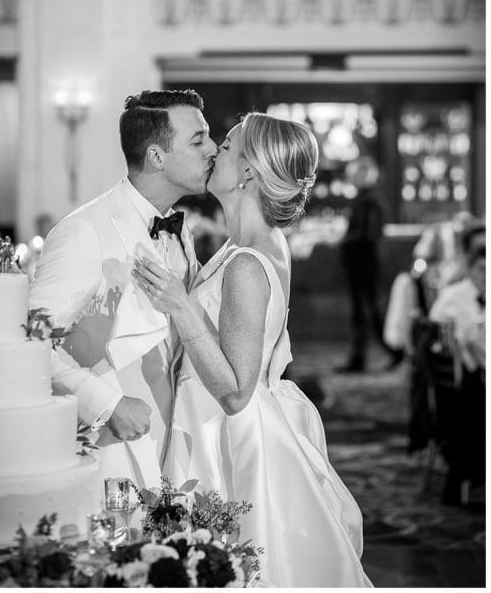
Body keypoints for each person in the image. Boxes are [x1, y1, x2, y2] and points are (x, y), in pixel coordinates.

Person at [133, 112, 371, 587]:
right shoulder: (251, 245)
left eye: (225, 145)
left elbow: (237, 392)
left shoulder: (246, 262)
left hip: (226, 434)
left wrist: (182, 308)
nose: (212, 151)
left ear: (246, 172)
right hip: (228, 420)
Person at [29, 89, 216, 488]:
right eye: (198, 140)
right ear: (156, 156)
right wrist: (107, 404)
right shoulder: (85, 231)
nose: (213, 149)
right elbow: (31, 342)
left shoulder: (181, 234)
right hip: (108, 448)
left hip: (176, 437)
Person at [428, 226, 485, 505]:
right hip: (460, 386)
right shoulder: (454, 296)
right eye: (482, 269)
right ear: (471, 266)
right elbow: (437, 329)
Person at [338, 156, 402, 372]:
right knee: (366, 311)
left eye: (355, 174)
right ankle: (365, 357)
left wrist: (343, 239)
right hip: (362, 261)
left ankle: (393, 351)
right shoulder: (366, 199)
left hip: (363, 262)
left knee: (368, 311)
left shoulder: (369, 201)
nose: (352, 178)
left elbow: (368, 234)